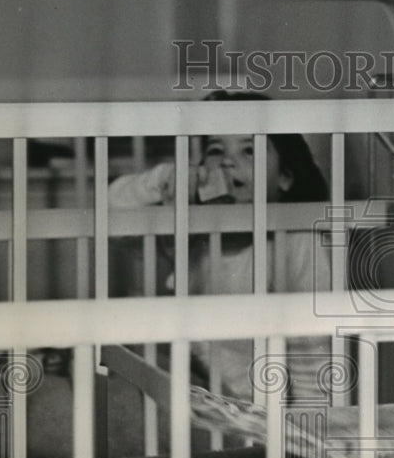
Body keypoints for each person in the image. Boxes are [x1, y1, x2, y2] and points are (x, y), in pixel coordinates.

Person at [108, 90, 332, 404]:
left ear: (284, 177)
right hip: (189, 380)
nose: (227, 161)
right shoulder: (191, 229)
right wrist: (165, 179)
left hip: (248, 407)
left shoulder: (295, 240)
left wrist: (306, 436)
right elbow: (110, 215)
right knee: (118, 351)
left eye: (249, 150)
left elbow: (313, 355)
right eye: (215, 150)